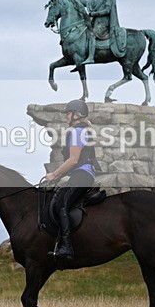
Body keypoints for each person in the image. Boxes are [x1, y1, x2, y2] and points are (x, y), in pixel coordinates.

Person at [43, 99, 97, 259]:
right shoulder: (81, 130)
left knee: (61, 203)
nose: (65, 116)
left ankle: (66, 246)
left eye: (68, 113)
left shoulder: (77, 132)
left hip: (83, 174)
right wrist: (58, 176)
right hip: (81, 174)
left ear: (76, 115)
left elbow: (73, 160)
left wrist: (54, 174)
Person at [68, 0, 124, 65]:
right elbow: (86, 3)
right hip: (97, 23)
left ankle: (91, 57)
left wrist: (94, 14)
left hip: (104, 24)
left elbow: (108, 10)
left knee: (91, 34)